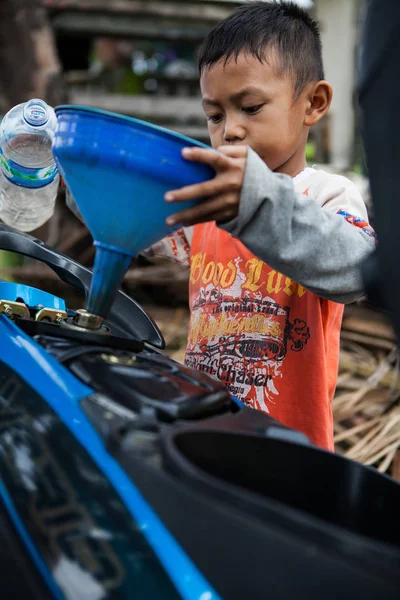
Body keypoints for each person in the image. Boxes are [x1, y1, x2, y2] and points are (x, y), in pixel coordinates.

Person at [146, 0, 376, 451]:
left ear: (313, 103)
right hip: (204, 435)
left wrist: (255, 204)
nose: (229, 131)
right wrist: (70, 176)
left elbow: (357, 269)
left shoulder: (326, 196)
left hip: (288, 453)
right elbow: (135, 221)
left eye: (250, 107)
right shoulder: (208, 204)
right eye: (215, 115)